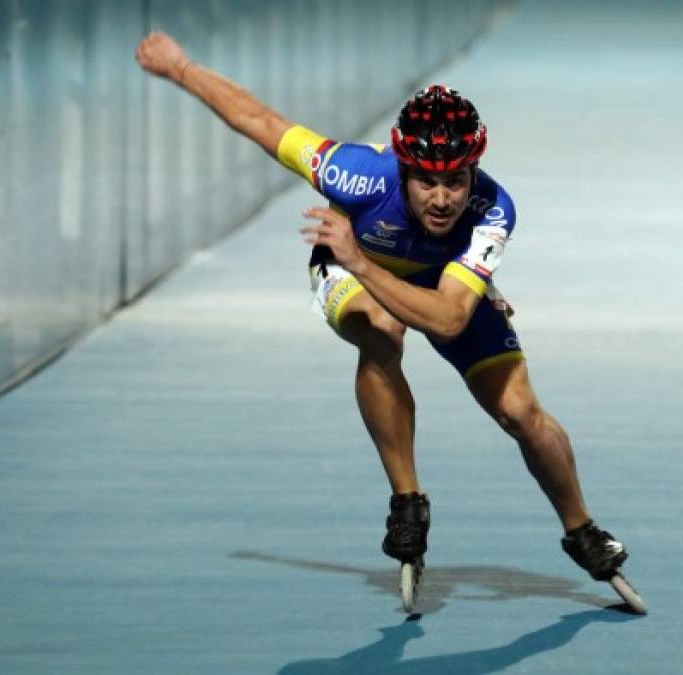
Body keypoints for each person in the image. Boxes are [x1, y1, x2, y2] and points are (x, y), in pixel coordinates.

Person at [135, 31, 628, 584]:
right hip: (346, 265)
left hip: (423, 280)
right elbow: (259, 121)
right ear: (402, 166)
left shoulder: (495, 209)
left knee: (521, 413)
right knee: (382, 330)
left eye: (455, 181)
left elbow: (449, 317)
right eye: (425, 181)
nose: (441, 199)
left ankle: (581, 528)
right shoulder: (353, 173)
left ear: (474, 171)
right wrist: (181, 68)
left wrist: (369, 262)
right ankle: (407, 501)